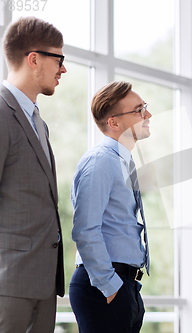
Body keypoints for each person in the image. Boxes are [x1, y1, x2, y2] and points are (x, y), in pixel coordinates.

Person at [0, 16, 66, 332]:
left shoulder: (38, 122)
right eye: (59, 59)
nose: (63, 69)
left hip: (42, 284)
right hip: (8, 284)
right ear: (33, 59)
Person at [69, 81, 152, 333]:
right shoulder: (102, 161)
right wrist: (110, 285)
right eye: (139, 110)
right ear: (114, 123)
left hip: (124, 285)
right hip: (104, 286)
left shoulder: (122, 162)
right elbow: (85, 229)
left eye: (145, 107)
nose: (148, 115)